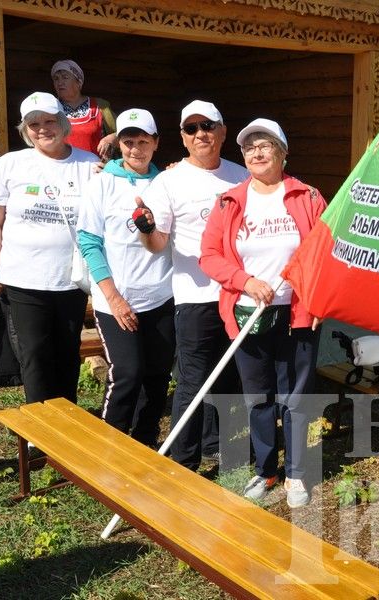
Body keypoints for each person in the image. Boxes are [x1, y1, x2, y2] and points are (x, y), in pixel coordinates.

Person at [199, 118, 327, 508]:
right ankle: (266, 470)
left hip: (297, 314)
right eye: (249, 146)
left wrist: (319, 299)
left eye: (265, 144)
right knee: (258, 397)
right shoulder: (230, 201)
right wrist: (245, 281)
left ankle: (297, 475)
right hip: (247, 314)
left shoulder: (307, 197)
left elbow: (324, 254)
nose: (256, 152)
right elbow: (209, 255)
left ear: (282, 152)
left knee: (295, 397)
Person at [133, 100, 248, 470]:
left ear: (223, 131)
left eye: (208, 126)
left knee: (234, 379)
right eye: (192, 128)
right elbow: (157, 245)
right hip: (195, 298)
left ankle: (231, 458)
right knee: (193, 381)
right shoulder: (168, 181)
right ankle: (183, 463)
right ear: (183, 138)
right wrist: (147, 228)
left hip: (241, 296)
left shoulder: (243, 175)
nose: (202, 134)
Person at [0, 92, 98, 404]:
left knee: (67, 353)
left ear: (63, 123)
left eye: (49, 121)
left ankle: (66, 420)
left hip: (71, 278)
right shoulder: (10, 164)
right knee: (35, 354)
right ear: (25, 129)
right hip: (23, 279)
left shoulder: (89, 165)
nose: (43, 128)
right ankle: (40, 429)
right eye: (34, 124)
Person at [77, 108, 175, 447]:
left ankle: (145, 442)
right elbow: (89, 242)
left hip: (161, 296)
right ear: (119, 143)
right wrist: (114, 298)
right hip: (115, 299)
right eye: (128, 141)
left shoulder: (167, 182)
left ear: (156, 143)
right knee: (128, 373)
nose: (135, 149)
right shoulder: (102, 183)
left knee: (158, 375)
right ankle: (111, 446)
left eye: (143, 141)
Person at [51, 59, 116, 160]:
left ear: (79, 82)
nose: (60, 82)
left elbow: (123, 133)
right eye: (56, 79)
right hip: (62, 168)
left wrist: (111, 138)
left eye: (65, 77)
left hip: (95, 168)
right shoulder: (52, 108)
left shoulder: (100, 106)